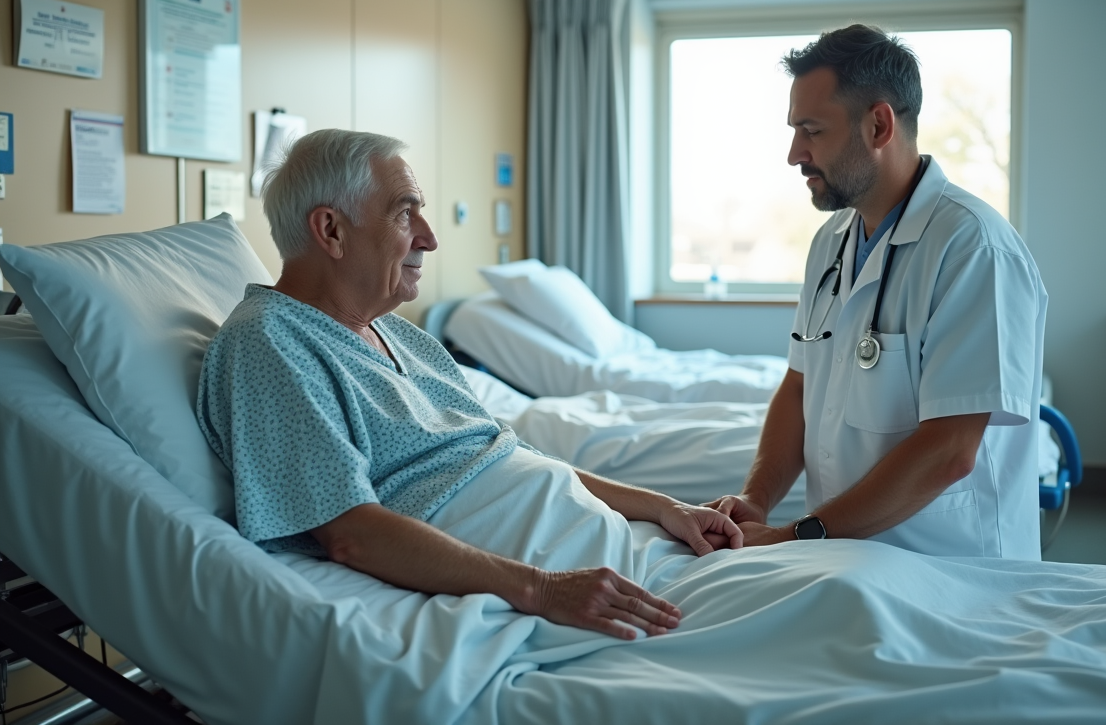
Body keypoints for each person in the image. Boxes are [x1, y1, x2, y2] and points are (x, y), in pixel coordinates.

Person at [196, 129, 743, 642]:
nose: (429, 238)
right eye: (405, 213)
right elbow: (351, 532)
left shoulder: (403, 338)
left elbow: (509, 452)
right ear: (331, 230)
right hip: (545, 573)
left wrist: (661, 507)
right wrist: (544, 589)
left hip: (597, 549)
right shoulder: (269, 342)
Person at [707, 24, 1047, 560]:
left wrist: (801, 534)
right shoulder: (831, 243)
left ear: (879, 125)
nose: (795, 153)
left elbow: (950, 450)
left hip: (949, 566)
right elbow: (799, 387)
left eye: (812, 130)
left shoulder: (973, 248)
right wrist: (757, 498)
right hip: (847, 558)